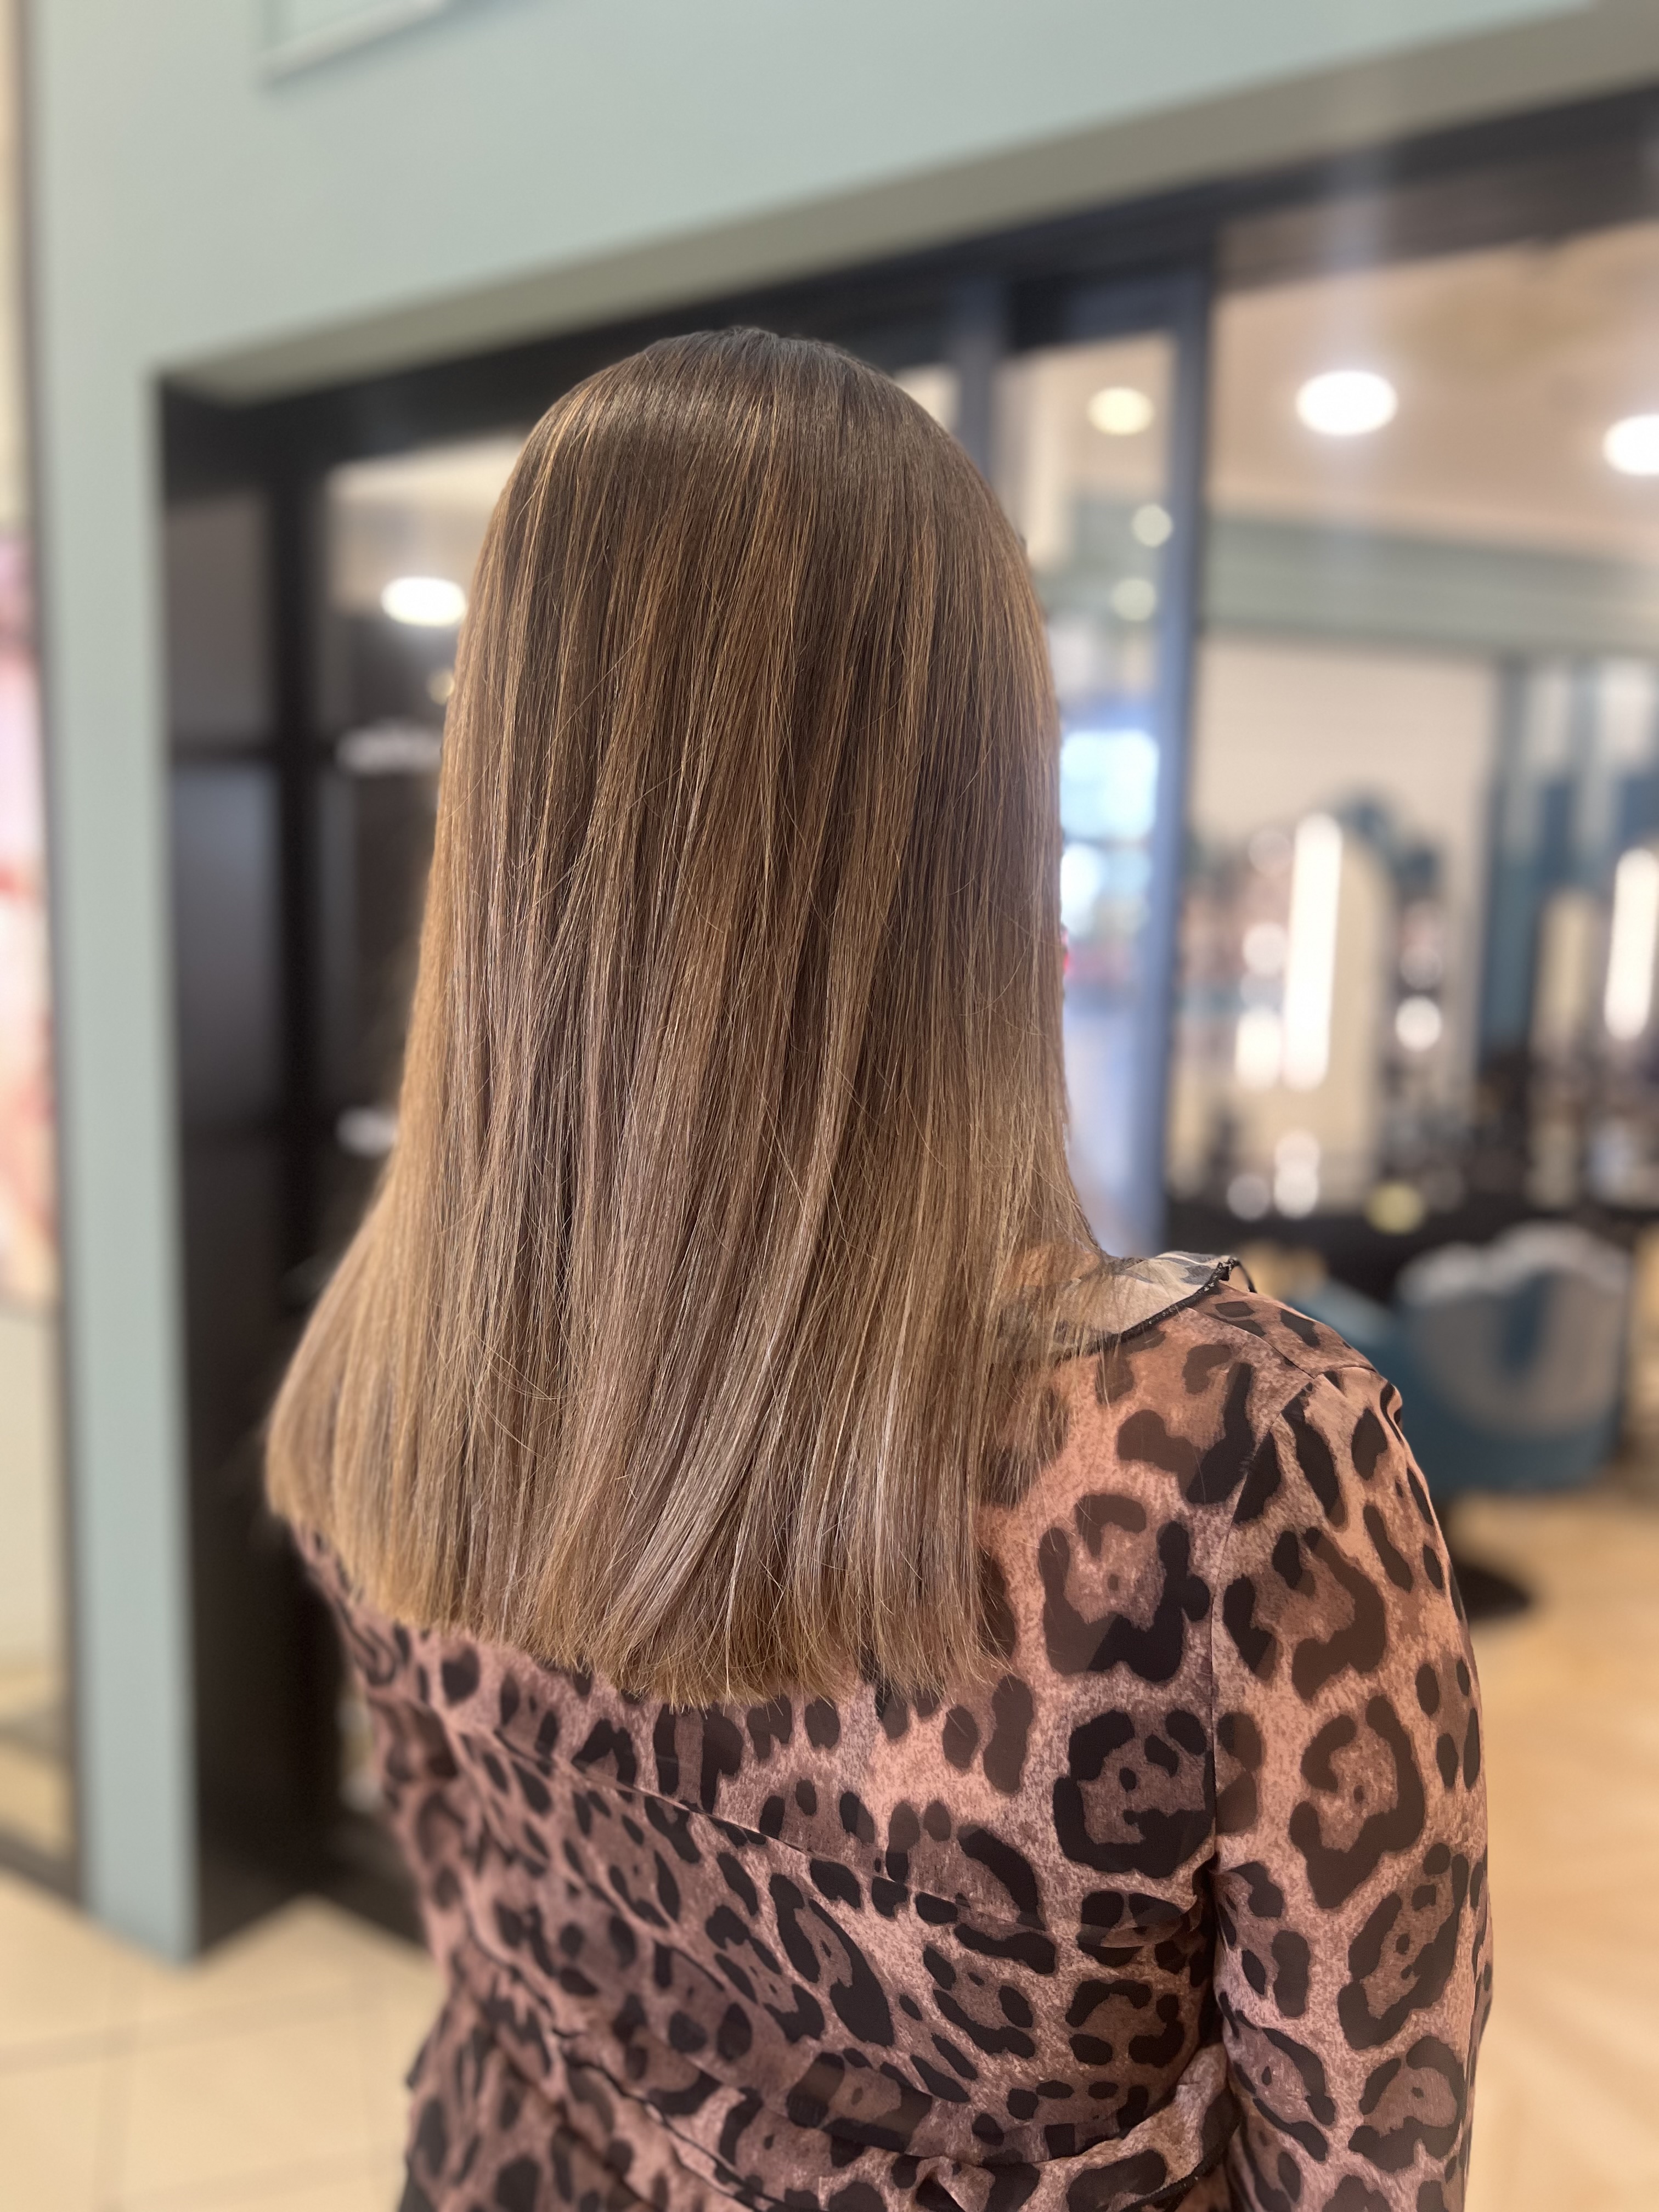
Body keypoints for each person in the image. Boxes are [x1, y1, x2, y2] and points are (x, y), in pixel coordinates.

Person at [268, 330, 1489, 2212]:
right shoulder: (1232, 1475)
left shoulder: (381, 1362)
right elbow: (1368, 2178)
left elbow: (484, 1938)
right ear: (983, 829)